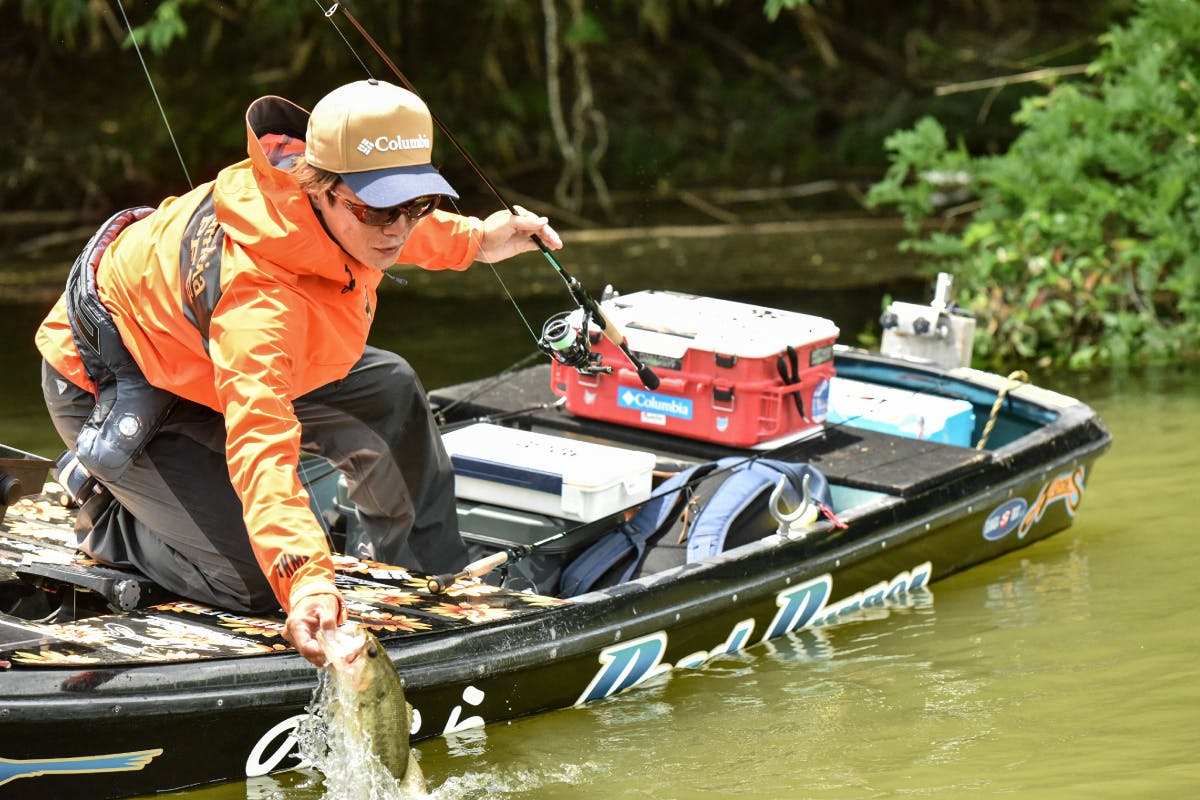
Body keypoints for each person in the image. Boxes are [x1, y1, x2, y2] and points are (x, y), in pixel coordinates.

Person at [35, 79, 562, 667]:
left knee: (389, 390)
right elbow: (261, 447)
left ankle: (428, 584)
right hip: (116, 386)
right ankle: (110, 513)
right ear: (319, 188)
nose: (397, 228)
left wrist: (476, 239)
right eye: (378, 208)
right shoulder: (258, 305)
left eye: (417, 205)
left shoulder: (336, 206)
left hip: (206, 361)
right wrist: (308, 583)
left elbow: (385, 228)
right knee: (259, 583)